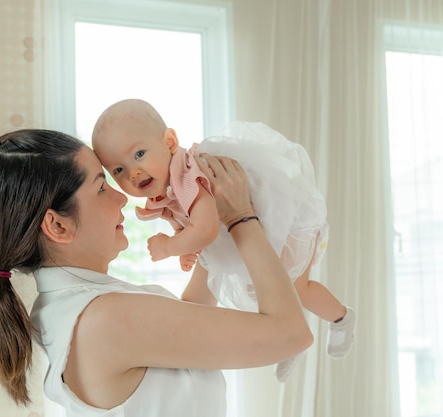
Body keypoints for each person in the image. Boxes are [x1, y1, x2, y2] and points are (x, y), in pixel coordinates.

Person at [0, 129, 313, 415]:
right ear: (57, 226)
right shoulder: (104, 317)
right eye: (102, 187)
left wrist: (204, 226)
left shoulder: (72, 307)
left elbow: (190, 327)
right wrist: (241, 218)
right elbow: (290, 336)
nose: (122, 199)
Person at [92, 99, 356, 381]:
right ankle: (286, 341)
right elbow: (189, 226)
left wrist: (170, 247)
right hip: (238, 229)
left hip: (285, 220)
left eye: (139, 154)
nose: (133, 172)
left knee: (293, 287)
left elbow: (205, 229)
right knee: (257, 292)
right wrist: (185, 245)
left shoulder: (190, 176)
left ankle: (340, 318)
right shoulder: (165, 187)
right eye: (118, 170)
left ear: (170, 142)